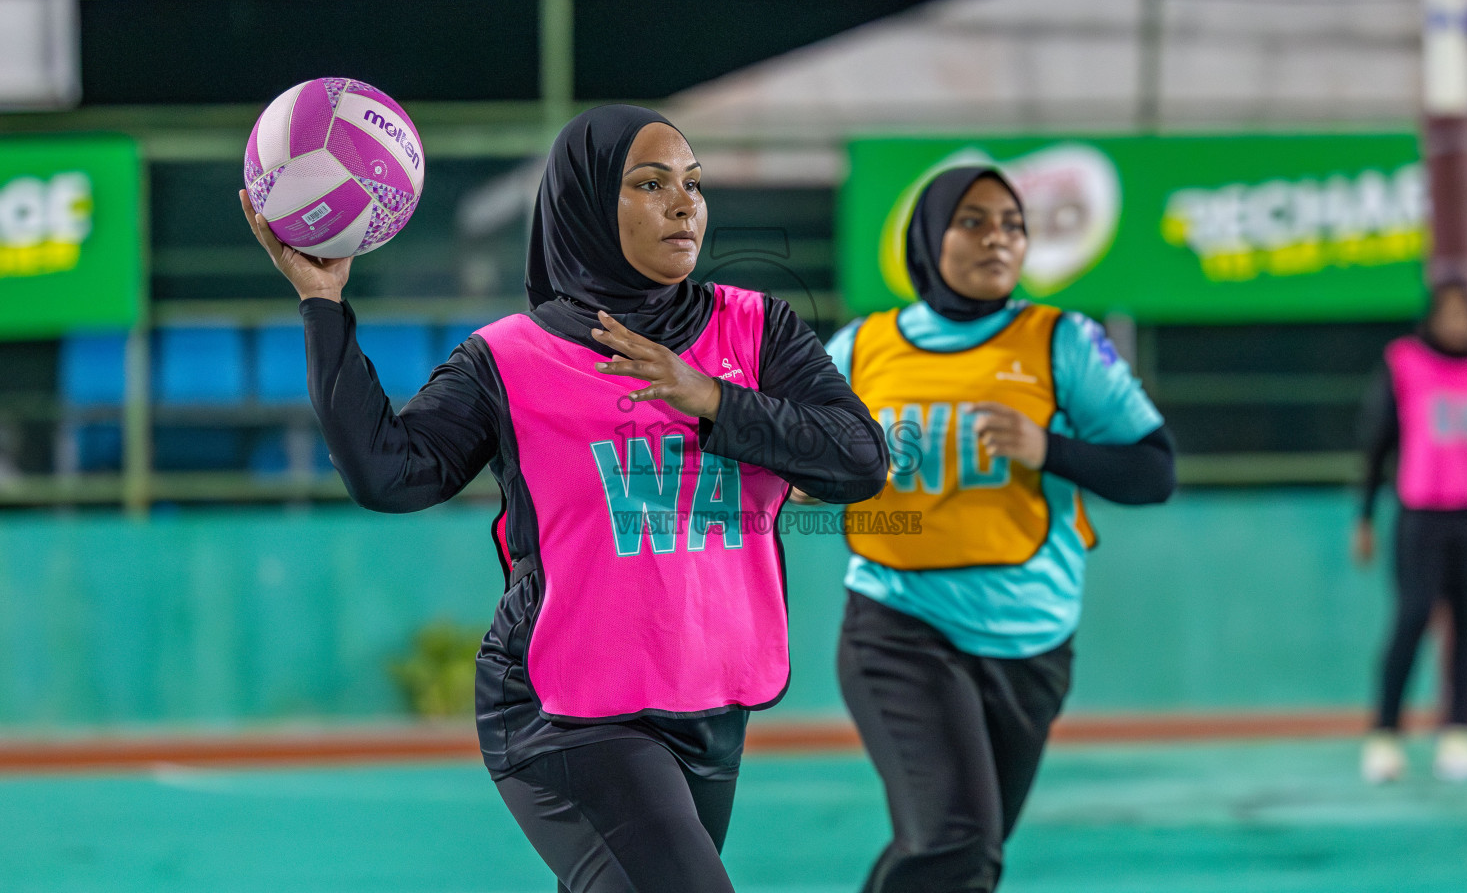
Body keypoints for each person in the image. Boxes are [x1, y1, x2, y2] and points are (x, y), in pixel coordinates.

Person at [242, 104, 888, 893]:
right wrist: (322, 306)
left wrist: (711, 399)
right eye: (650, 185)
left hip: (708, 703)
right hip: (561, 709)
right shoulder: (510, 358)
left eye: (692, 183)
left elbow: (859, 464)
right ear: (583, 203)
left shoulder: (759, 331)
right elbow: (391, 476)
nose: (684, 205)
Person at [807, 166, 1175, 893]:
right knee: (957, 841)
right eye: (972, 221)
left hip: (1030, 639)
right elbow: (799, 451)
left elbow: (1154, 472)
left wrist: (1051, 449)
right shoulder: (861, 348)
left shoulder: (1063, 342)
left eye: (1012, 223)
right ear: (927, 236)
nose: (996, 239)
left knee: (954, 852)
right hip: (897, 624)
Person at [1354, 279, 1467, 784]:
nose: (1460, 324)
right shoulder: (1405, 363)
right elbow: (1378, 443)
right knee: (1412, 618)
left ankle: (1458, 733)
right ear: (1432, 317)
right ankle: (1385, 734)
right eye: (1449, 314)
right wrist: (1365, 516)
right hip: (1423, 515)